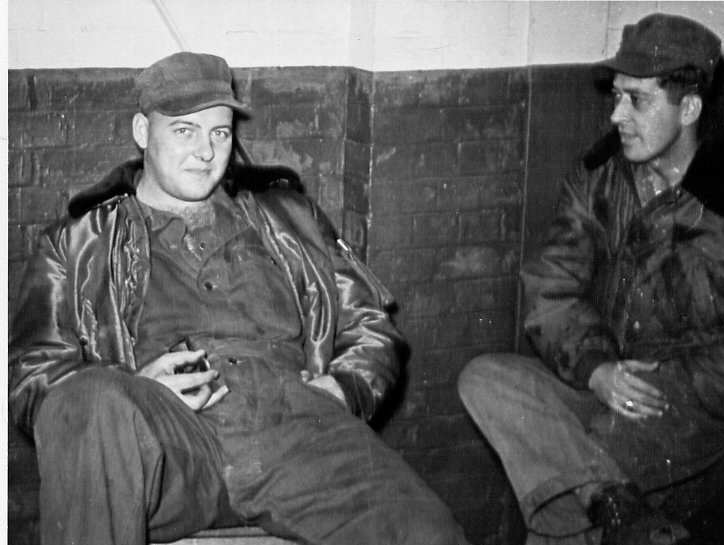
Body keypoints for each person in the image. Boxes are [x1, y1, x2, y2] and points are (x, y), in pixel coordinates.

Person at [9, 51, 471, 545]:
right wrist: (133, 389)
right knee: (88, 399)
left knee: (430, 533)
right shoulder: (78, 241)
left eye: (220, 133)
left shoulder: (288, 217)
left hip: (296, 432)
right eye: (185, 131)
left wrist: (345, 388)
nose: (206, 152)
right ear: (142, 132)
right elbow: (35, 377)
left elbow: (369, 324)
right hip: (171, 445)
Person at [458, 13, 724, 545]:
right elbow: (551, 287)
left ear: (689, 109)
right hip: (605, 382)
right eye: (616, 96)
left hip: (691, 410)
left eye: (637, 100)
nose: (616, 115)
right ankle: (620, 508)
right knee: (485, 379)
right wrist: (596, 369)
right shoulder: (598, 180)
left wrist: (679, 379)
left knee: (568, 476)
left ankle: (601, 504)